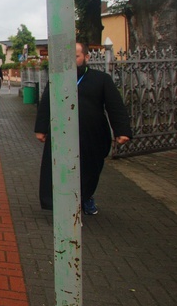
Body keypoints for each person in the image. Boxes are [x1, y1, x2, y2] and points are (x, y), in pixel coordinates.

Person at [34, 42, 132, 215]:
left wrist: (122, 130)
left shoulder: (101, 80)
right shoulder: (58, 79)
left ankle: (86, 198)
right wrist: (41, 128)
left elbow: (115, 106)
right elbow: (46, 104)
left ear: (86, 57)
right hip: (62, 134)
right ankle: (61, 203)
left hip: (92, 136)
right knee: (59, 169)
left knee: (89, 171)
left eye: (76, 57)